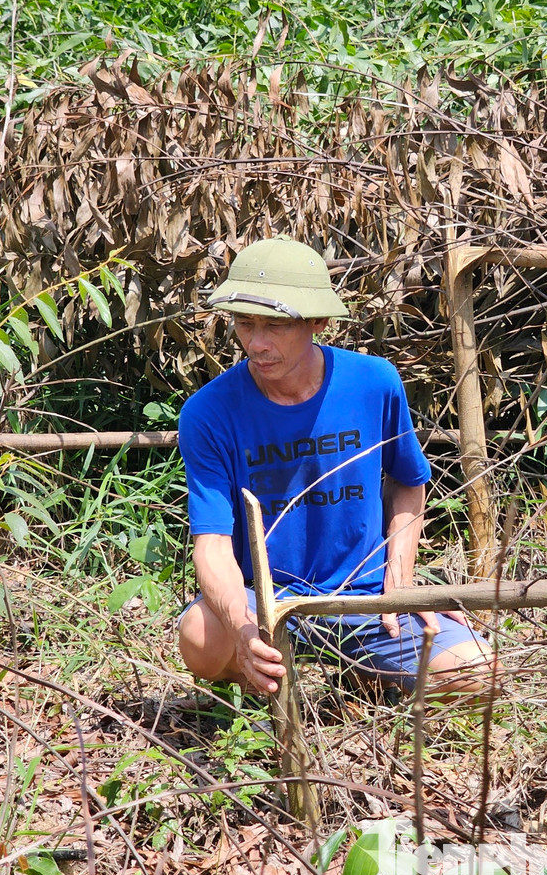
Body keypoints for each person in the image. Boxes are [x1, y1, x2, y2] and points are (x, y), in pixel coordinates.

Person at [176, 236, 491, 696]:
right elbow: (213, 544)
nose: (257, 344)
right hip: (267, 602)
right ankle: (264, 672)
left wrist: (400, 577)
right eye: (244, 324)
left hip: (367, 598)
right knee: (200, 637)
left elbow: (408, 481)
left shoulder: (372, 382)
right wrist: (244, 628)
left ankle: (368, 667)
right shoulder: (209, 413)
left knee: (480, 672)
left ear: (318, 321)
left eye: (274, 326)